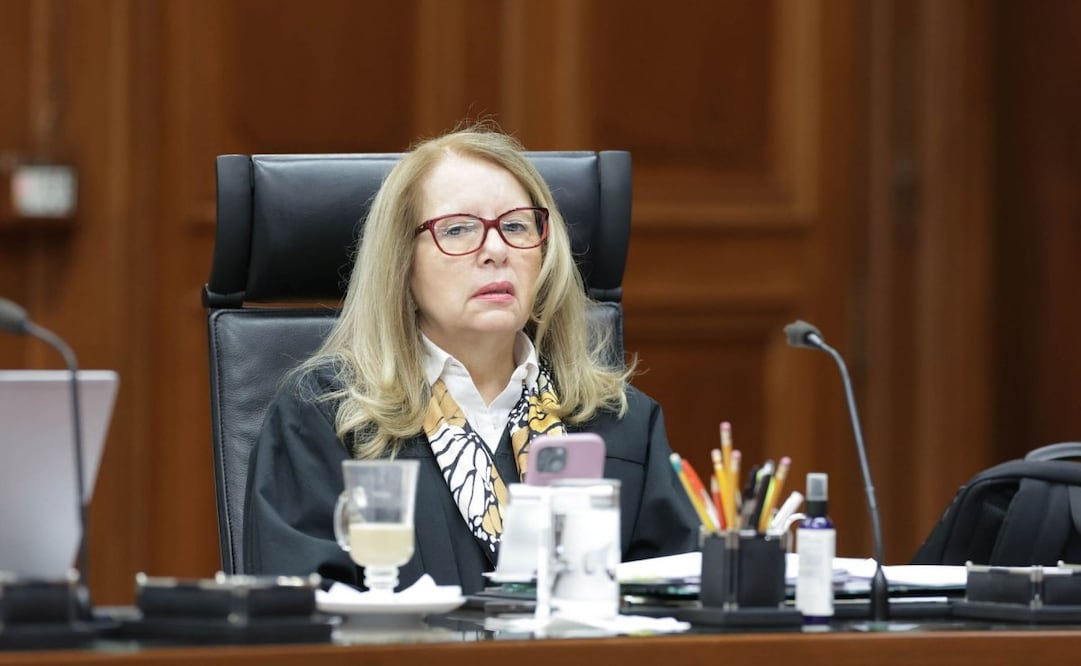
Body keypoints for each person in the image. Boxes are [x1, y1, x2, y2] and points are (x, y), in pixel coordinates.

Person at [243, 125, 698, 594]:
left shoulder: (620, 422)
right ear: (402, 262)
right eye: (458, 229)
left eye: (516, 226)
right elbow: (297, 624)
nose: (496, 251)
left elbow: (676, 613)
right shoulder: (327, 417)